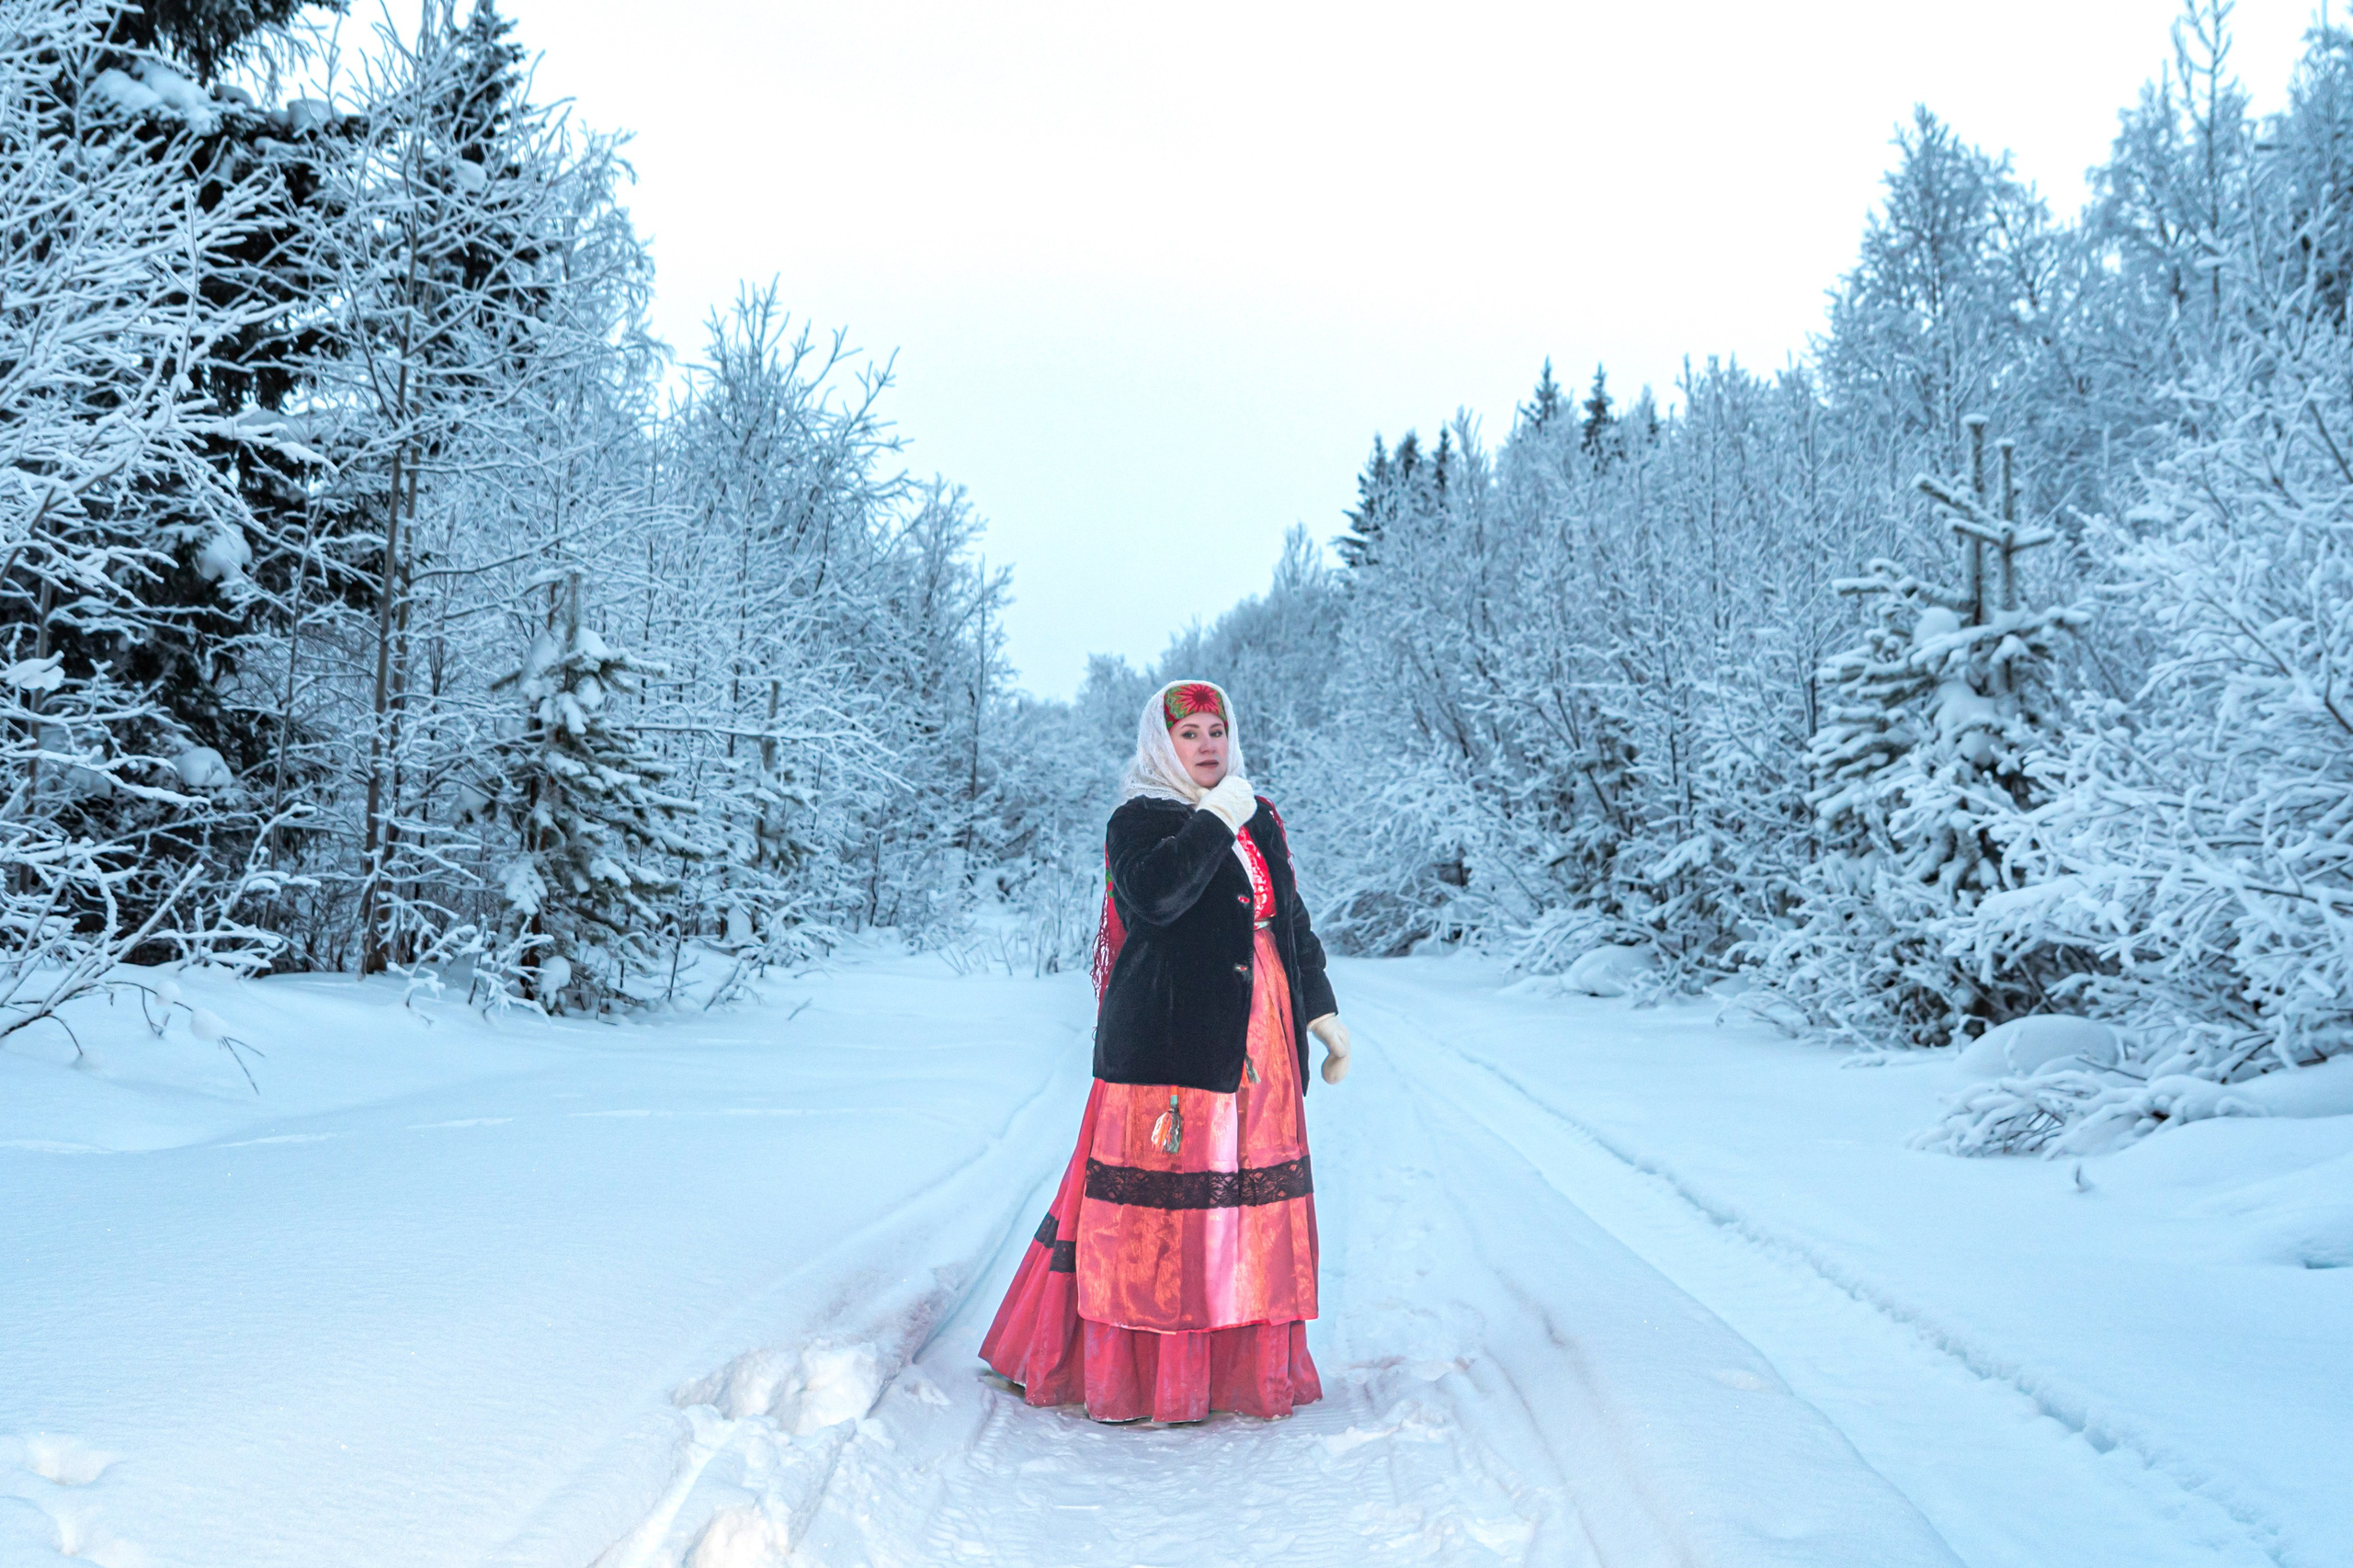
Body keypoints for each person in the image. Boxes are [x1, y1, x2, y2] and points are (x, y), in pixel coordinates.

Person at [980, 678, 1351, 1424]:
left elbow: (1290, 921)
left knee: (1248, 1209)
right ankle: (1145, 1376)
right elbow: (1155, 902)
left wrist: (1322, 1011)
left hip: (1263, 1039)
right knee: (1163, 1218)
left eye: (1217, 731)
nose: (1208, 746)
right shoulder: (1139, 820)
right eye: (1191, 735)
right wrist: (1212, 821)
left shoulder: (1258, 815)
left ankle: (1238, 1371)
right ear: (1162, 744)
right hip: (1171, 1045)